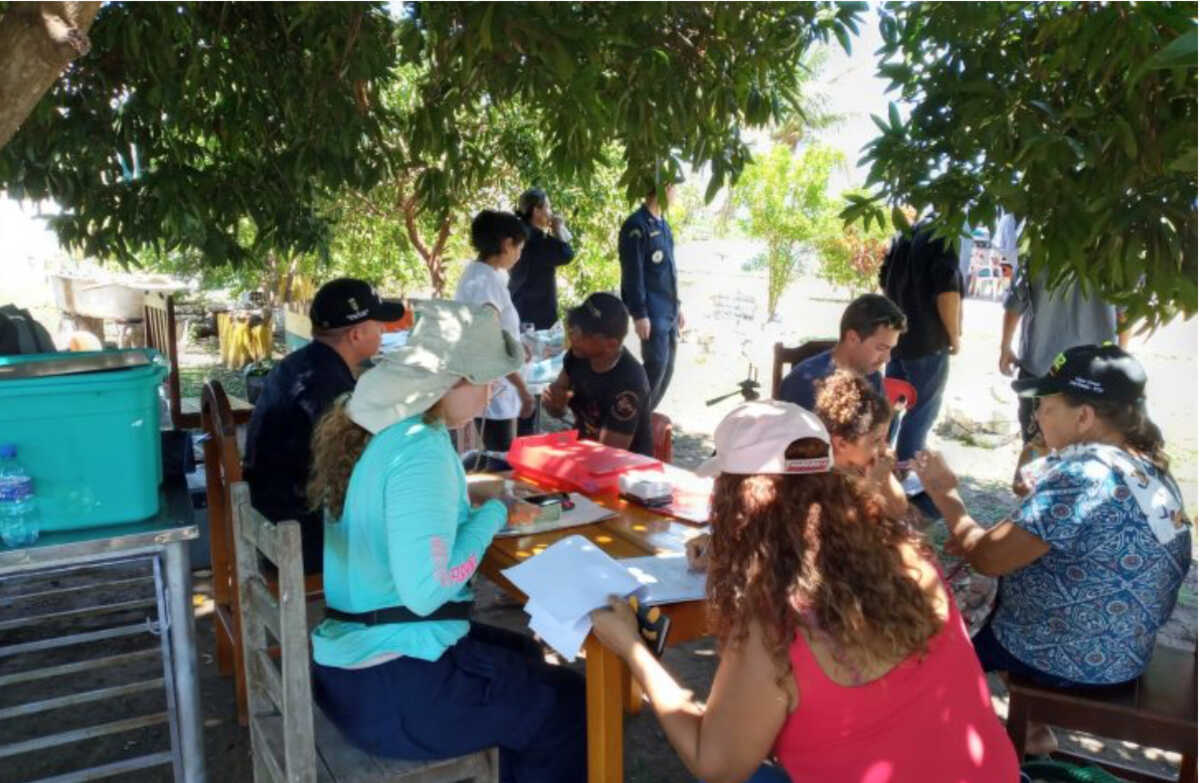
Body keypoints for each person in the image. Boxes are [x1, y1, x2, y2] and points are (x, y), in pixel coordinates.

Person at [592, 400, 1019, 783]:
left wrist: (633, 649)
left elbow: (715, 764)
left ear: (735, 500)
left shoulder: (776, 625)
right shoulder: (909, 556)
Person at [306, 300, 586, 783]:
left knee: (522, 656)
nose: (493, 389)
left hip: (352, 671)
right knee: (568, 703)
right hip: (392, 688)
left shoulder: (386, 430)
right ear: (449, 382)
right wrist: (494, 512)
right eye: (486, 379)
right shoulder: (422, 450)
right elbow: (429, 589)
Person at [914, 344, 1191, 750]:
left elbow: (988, 559)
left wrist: (945, 496)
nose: (1036, 415)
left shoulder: (1084, 476)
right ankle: (1031, 733)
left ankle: (953, 747)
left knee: (933, 642)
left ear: (1083, 416)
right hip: (1126, 651)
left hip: (1070, 659)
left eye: (1045, 406)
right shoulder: (1146, 467)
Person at [243, 278, 404, 574]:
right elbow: (355, 470)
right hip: (300, 532)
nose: (384, 330)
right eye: (378, 324)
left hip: (272, 510)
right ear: (356, 334)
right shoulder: (328, 388)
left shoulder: (299, 364)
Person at [999, 258, 1126, 493]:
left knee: (1038, 447)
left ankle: (1034, 507)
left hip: (1042, 369)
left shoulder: (1040, 247)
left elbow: (1015, 303)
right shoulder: (1114, 249)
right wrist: (1121, 357)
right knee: (1088, 453)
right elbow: (1125, 313)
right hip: (1093, 375)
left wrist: (1005, 346)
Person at [879, 218, 965, 462]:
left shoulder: (902, 234)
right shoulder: (943, 231)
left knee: (890, 407)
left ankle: (878, 466)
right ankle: (907, 471)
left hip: (898, 338)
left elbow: (884, 283)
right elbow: (947, 290)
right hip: (927, 341)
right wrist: (954, 335)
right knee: (921, 411)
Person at [454, 210, 536, 454]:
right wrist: (523, 389)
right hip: (496, 389)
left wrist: (517, 347)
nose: (519, 255)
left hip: (493, 385)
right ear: (506, 243)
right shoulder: (485, 282)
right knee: (499, 459)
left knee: (494, 454)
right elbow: (490, 342)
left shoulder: (480, 274)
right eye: (518, 247)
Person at [541, 292, 653, 456]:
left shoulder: (630, 384)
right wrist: (556, 406)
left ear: (610, 344)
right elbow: (557, 402)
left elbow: (610, 455)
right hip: (585, 455)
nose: (573, 336)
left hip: (623, 470)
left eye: (582, 333)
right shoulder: (577, 355)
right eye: (574, 329)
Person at [777, 293, 906, 412]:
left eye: (890, 349)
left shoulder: (872, 378)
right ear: (852, 338)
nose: (887, 359)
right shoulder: (803, 385)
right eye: (881, 348)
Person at [619, 179, 684, 411]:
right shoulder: (636, 226)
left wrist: (678, 307)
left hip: (669, 311)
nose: (676, 193)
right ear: (664, 189)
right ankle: (629, 415)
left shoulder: (664, 225)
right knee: (655, 365)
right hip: (652, 311)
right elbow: (632, 274)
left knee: (667, 368)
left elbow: (669, 272)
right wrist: (639, 313)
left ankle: (643, 417)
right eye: (674, 188)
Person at [813, 370, 908, 518]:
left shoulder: (863, 465)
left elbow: (901, 509)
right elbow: (852, 530)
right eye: (876, 441)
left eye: (884, 439)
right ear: (842, 444)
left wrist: (886, 479)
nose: (884, 447)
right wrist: (873, 485)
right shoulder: (822, 481)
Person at [509, 188, 575, 331]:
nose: (550, 212)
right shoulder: (535, 239)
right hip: (536, 315)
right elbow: (567, 254)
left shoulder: (519, 233)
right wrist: (558, 228)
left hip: (519, 307)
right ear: (536, 211)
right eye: (548, 207)